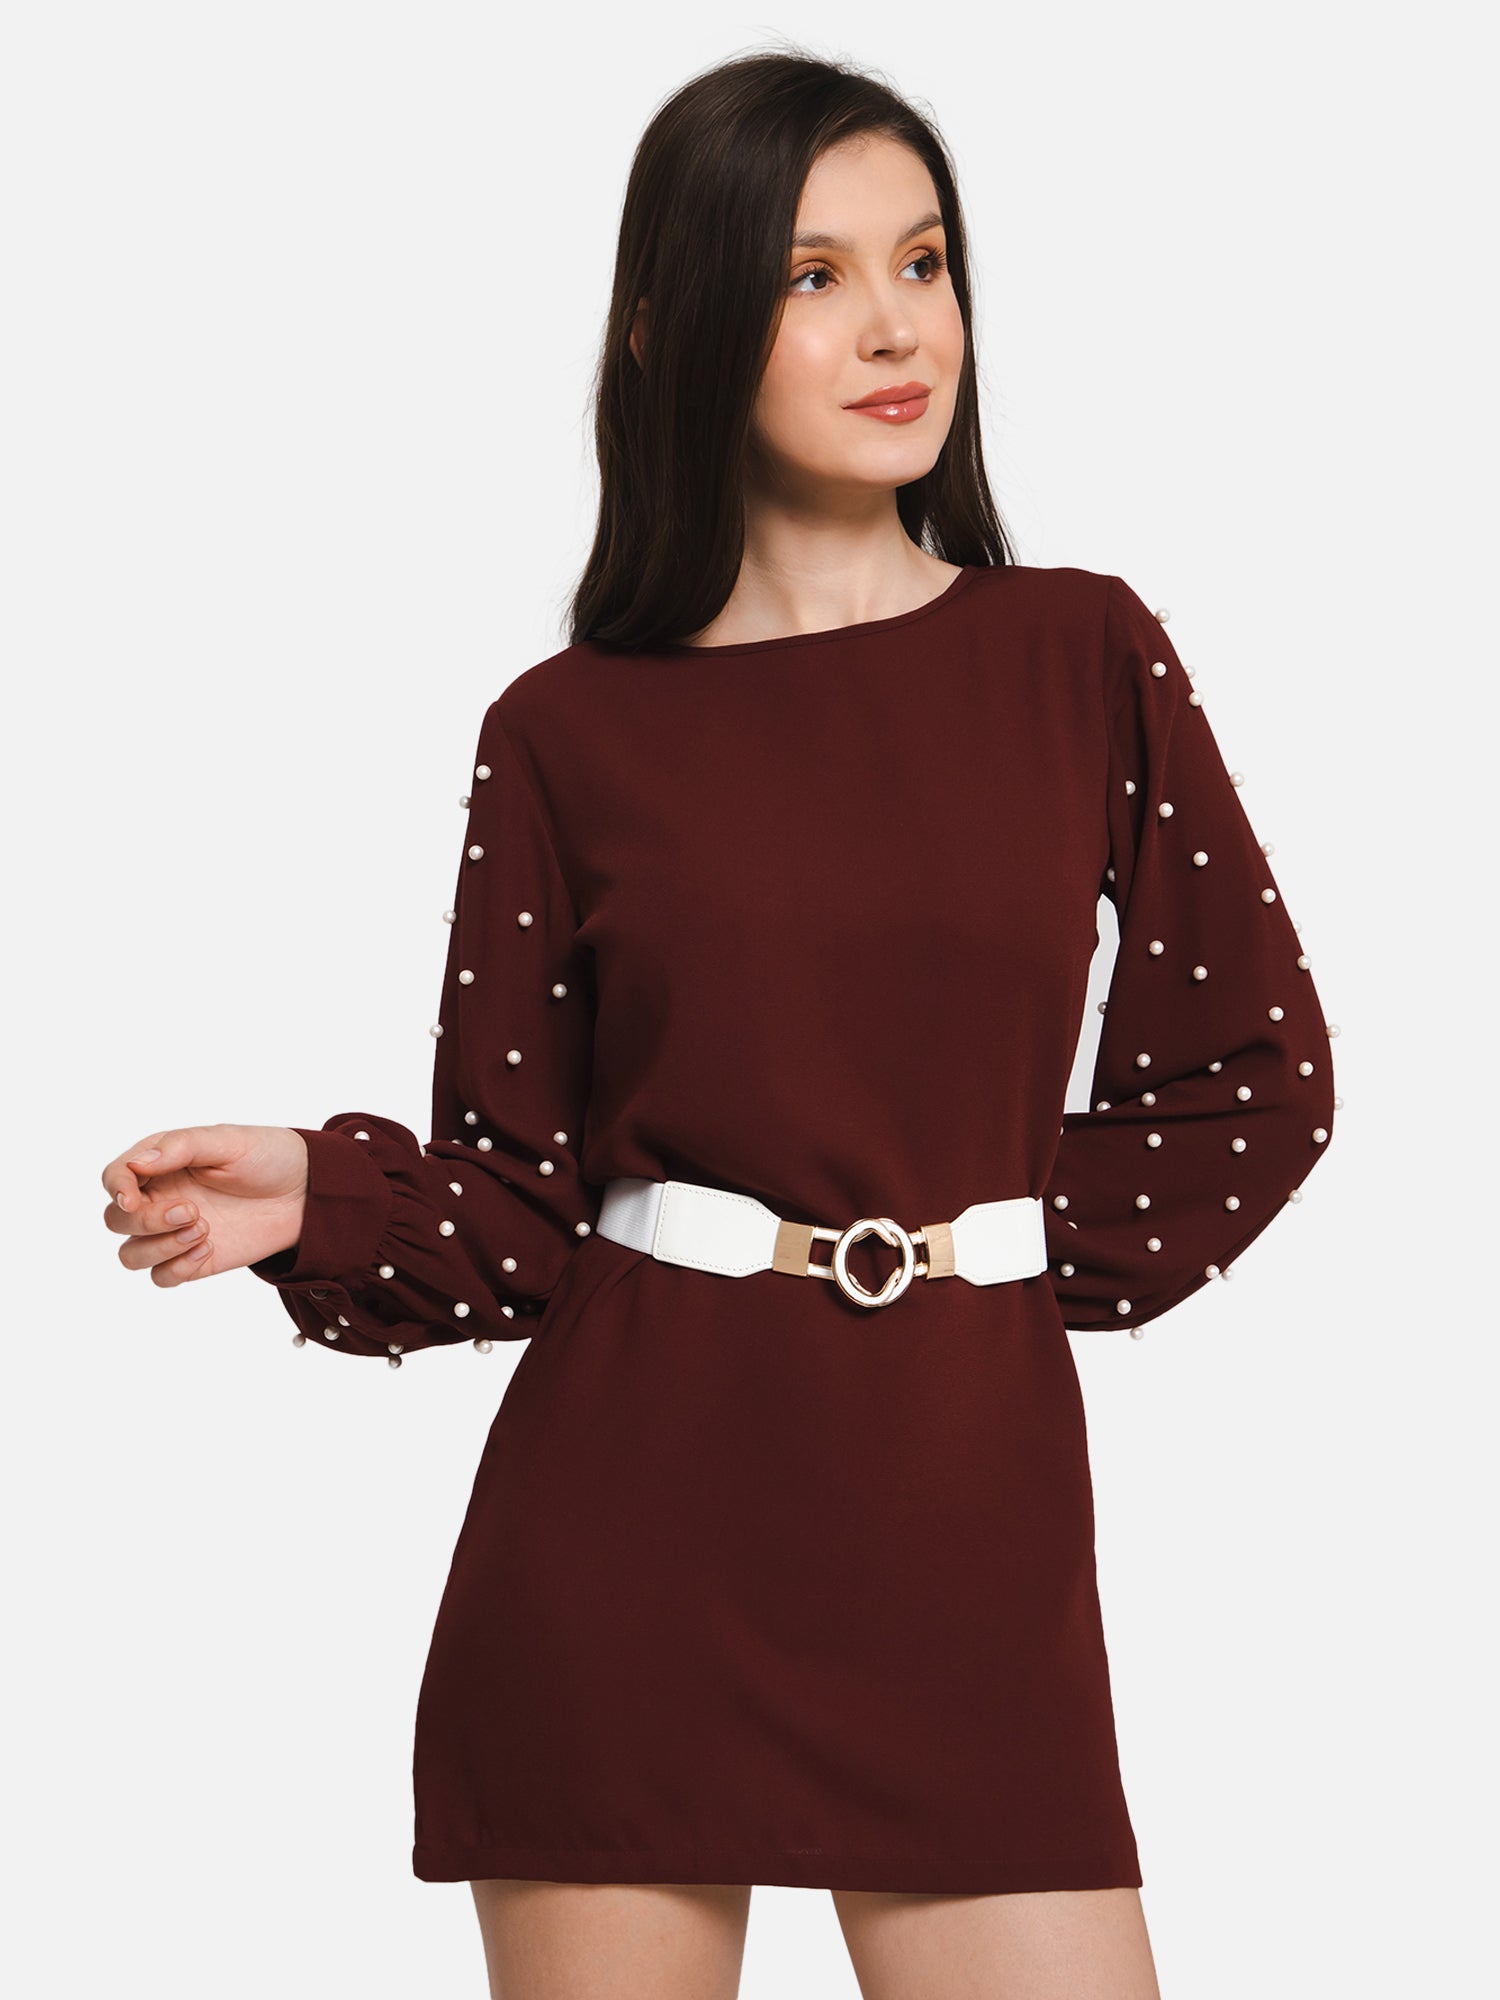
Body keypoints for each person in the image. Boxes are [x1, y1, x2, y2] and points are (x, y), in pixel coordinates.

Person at [100, 48, 1338, 2000]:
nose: (895, 327)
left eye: (923, 262)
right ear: (669, 327)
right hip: (628, 1540)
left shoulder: (1081, 650)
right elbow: (525, 1194)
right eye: (811, 276)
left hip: (964, 1535)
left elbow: (1252, 1079)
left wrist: (974, 1262)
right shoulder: (565, 731)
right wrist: (317, 1198)